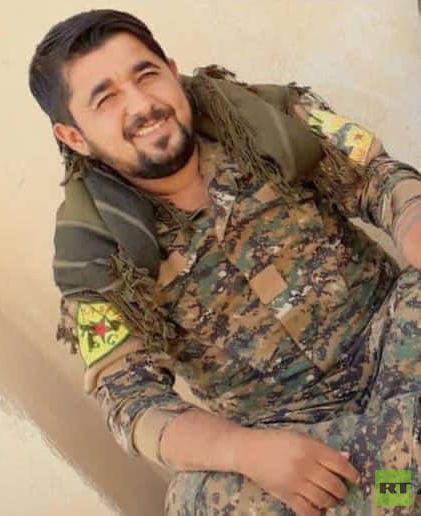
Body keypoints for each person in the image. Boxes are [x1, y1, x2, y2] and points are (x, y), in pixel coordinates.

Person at [28, 9, 421, 515]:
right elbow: (131, 401)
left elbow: (378, 179)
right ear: (74, 137)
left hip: (397, 347)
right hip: (294, 439)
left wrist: (411, 219)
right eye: (106, 99)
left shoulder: (264, 118)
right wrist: (246, 451)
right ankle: (399, 483)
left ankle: (394, 489)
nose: (142, 105)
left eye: (147, 75)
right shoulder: (92, 250)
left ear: (172, 71)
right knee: (200, 502)